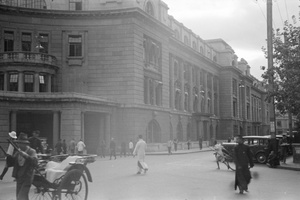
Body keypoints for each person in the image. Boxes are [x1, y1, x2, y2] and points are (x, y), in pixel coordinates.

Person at [12, 132, 38, 200]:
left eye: (20, 143)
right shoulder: (18, 152)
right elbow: (12, 163)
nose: (18, 145)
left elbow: (34, 162)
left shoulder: (32, 151)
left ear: (25, 144)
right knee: (19, 196)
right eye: (18, 143)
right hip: (19, 176)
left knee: (22, 195)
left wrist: (25, 155)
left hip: (27, 176)